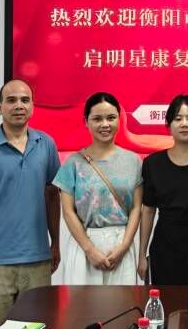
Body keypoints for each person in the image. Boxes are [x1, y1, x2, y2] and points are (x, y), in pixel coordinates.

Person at [0, 79, 61, 329]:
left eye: (24, 100)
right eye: (11, 100)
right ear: (0, 107)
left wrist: (56, 243)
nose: (19, 105)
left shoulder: (46, 144)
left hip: (37, 262)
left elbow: (52, 196)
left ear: (32, 106)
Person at [54, 92, 142, 284]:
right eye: (97, 119)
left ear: (119, 119)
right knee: (83, 302)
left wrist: (125, 245)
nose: (105, 124)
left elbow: (136, 207)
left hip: (121, 244)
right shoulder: (73, 163)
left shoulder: (133, 161)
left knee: (122, 301)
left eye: (111, 118)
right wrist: (90, 250)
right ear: (86, 122)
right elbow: (68, 211)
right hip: (84, 243)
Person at [138, 94, 188, 286]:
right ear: (168, 125)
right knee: (166, 302)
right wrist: (142, 254)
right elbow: (148, 211)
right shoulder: (152, 164)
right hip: (165, 249)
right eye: (178, 119)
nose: (184, 124)